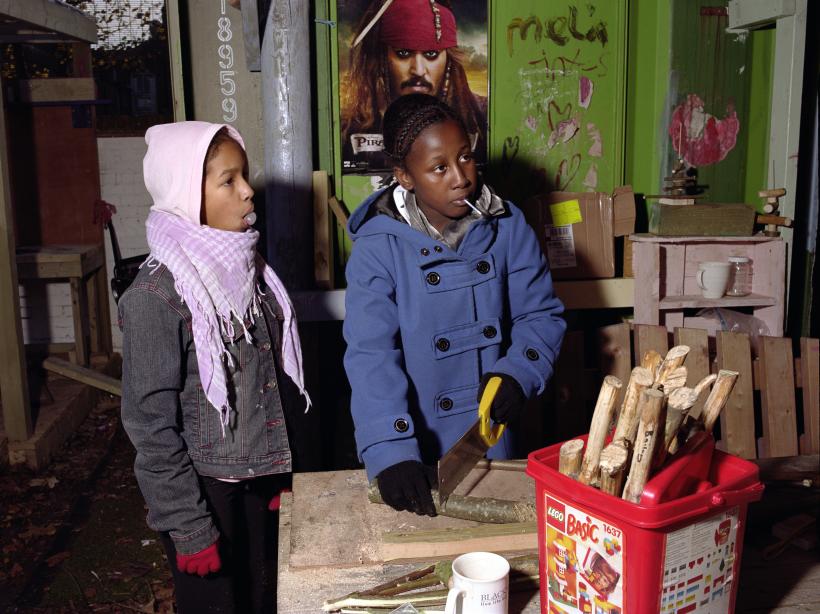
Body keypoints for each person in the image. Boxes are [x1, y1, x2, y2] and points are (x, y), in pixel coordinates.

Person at [119, 121, 310, 613]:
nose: (248, 191)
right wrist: (189, 526)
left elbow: (269, 380)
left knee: (266, 599)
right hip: (204, 495)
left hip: (255, 481)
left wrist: (277, 471)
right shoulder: (154, 296)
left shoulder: (253, 271)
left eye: (243, 176)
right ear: (187, 193)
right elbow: (149, 425)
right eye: (228, 181)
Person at [343, 94, 566, 515]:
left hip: (490, 435)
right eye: (439, 167)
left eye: (465, 157)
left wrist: (519, 373)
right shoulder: (377, 249)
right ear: (404, 177)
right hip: (418, 444)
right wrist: (390, 449)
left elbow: (540, 315)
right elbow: (371, 355)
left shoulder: (508, 225)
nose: (460, 177)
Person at [341, 0, 487, 171]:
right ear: (381, 59)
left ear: (448, 60)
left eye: (431, 54)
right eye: (403, 53)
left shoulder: (481, 118)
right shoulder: (349, 127)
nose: (418, 70)